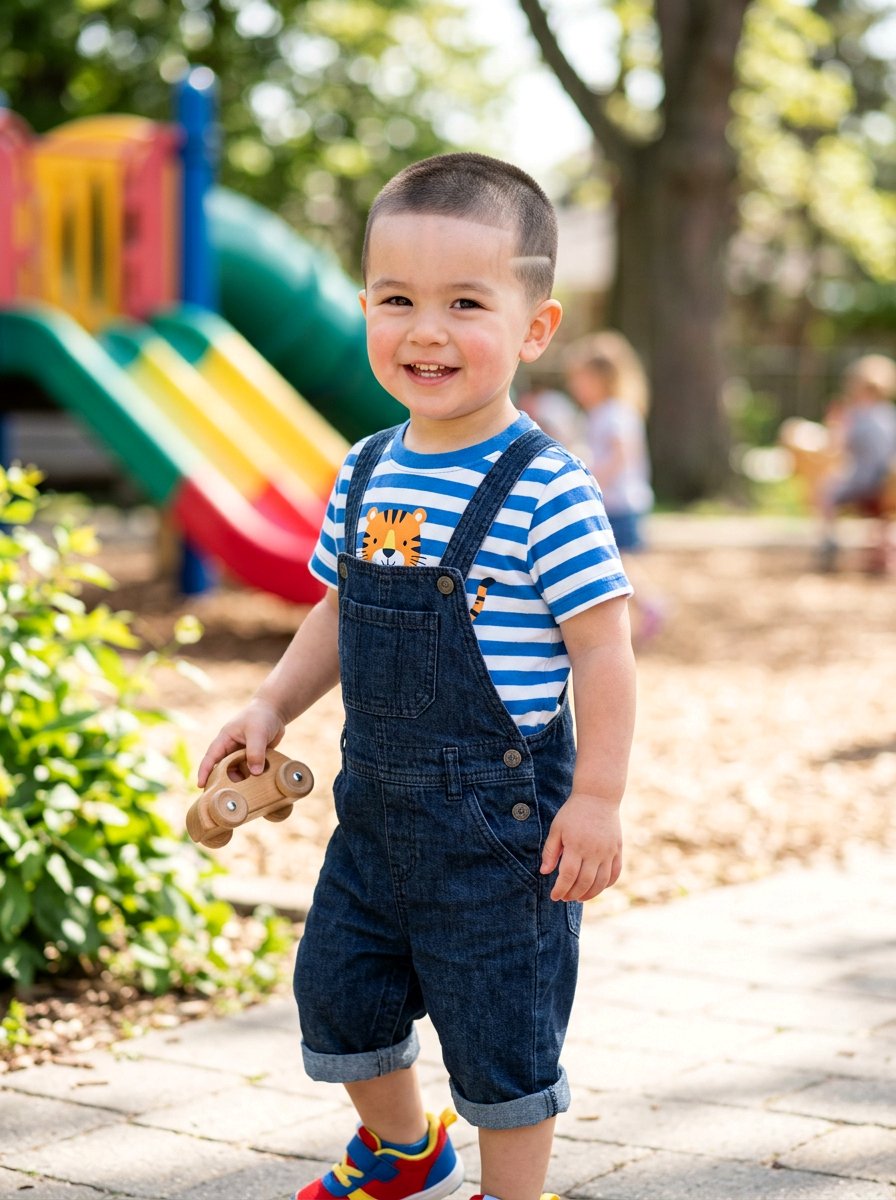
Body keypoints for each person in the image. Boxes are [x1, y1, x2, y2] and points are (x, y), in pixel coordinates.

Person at [197, 152, 636, 1200]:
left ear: (534, 329)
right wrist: (269, 702)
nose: (424, 329)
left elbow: (602, 650)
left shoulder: (547, 490)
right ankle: (404, 1150)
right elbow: (339, 608)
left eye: (464, 303)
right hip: (375, 816)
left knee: (502, 1034)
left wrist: (599, 798)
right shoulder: (363, 467)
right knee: (338, 994)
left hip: (499, 834)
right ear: (362, 309)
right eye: (396, 299)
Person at [565, 332, 666, 644]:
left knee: (619, 560)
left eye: (581, 379)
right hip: (619, 499)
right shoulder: (604, 413)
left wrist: (595, 483)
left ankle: (651, 606)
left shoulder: (614, 413)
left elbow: (622, 452)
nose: (576, 387)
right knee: (620, 559)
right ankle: (646, 609)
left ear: (601, 379)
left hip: (619, 501)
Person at [816, 353, 896, 573]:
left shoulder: (854, 416)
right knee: (885, 507)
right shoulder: (889, 415)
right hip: (886, 480)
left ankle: (829, 539)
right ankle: (882, 549)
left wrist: (834, 422)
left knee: (826, 490)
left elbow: (837, 447)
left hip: (862, 479)